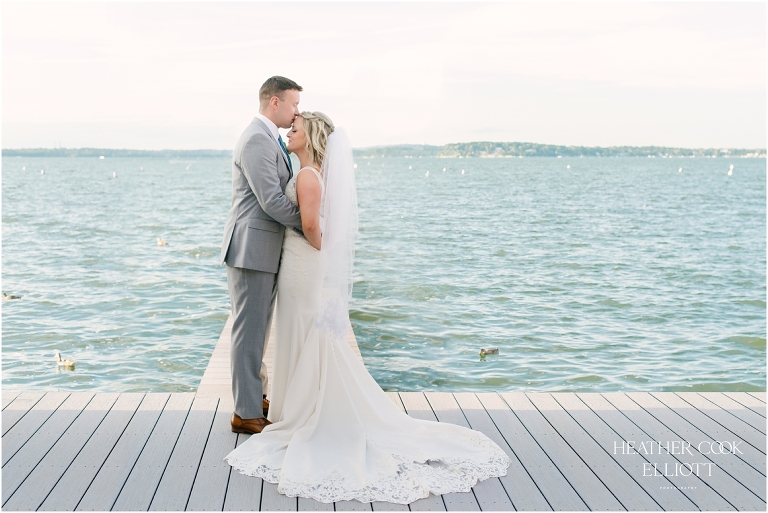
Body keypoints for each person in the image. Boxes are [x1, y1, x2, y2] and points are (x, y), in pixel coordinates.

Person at [225, 111, 510, 504]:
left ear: (310, 137)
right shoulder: (310, 171)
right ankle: (299, 403)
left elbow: (311, 227)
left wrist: (316, 250)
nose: (290, 131)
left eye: (296, 128)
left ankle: (305, 408)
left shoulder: (308, 176)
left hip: (300, 264)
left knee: (301, 329)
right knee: (302, 330)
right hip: (299, 263)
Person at [220, 76, 303, 434]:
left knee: (256, 332)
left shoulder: (267, 137)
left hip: (261, 249)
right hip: (251, 249)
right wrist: (310, 225)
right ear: (274, 102)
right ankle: (246, 413)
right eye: (294, 104)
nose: (297, 111)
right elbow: (270, 200)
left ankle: (254, 397)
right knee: (248, 333)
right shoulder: (257, 138)